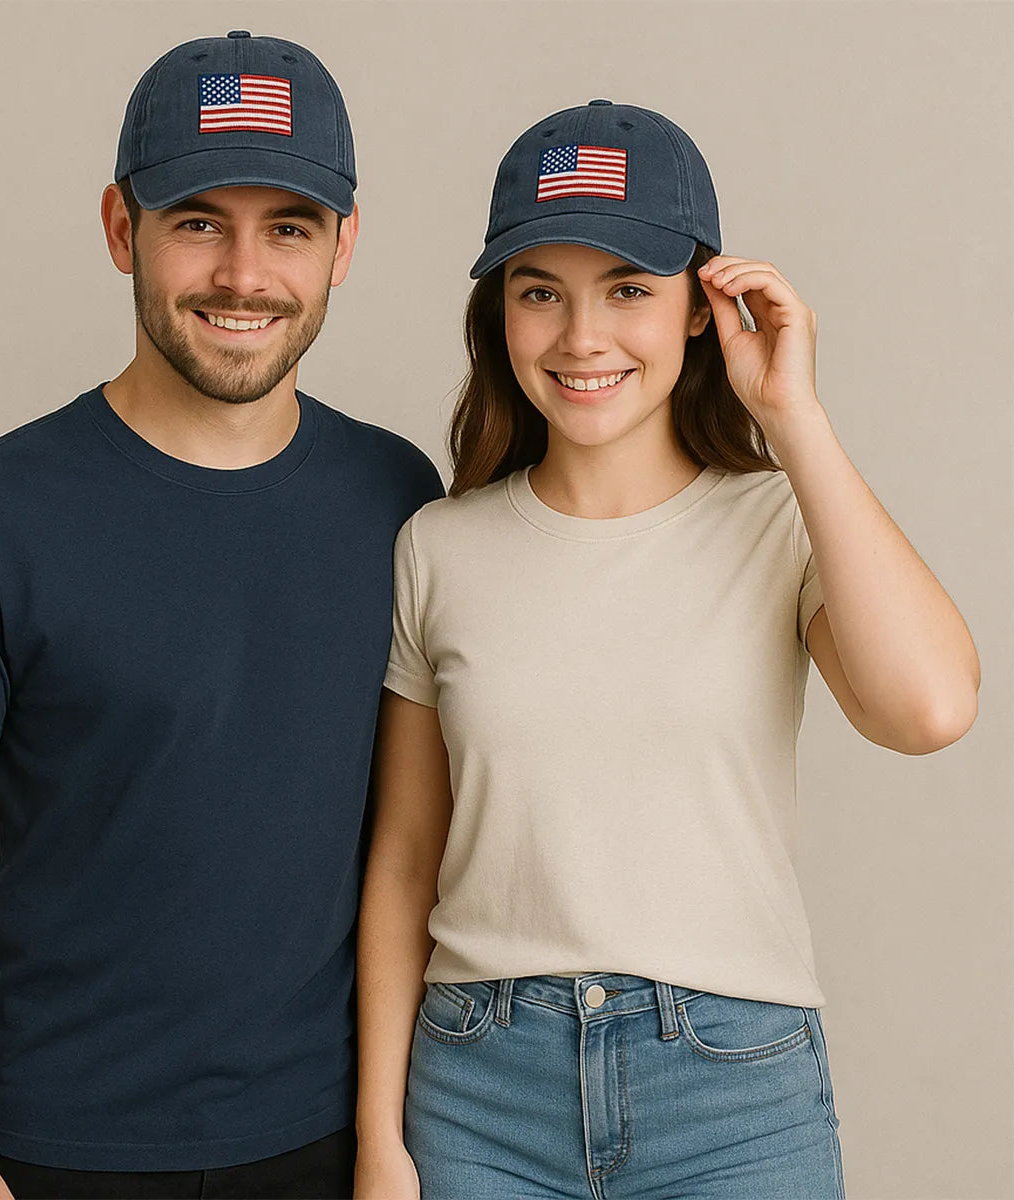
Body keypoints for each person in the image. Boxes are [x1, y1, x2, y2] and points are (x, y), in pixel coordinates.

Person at [0, 31, 443, 1200]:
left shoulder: (401, 501)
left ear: (343, 248)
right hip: (47, 1147)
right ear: (123, 228)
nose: (243, 274)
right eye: (198, 221)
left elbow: (414, 842)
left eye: (289, 228)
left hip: (326, 1141)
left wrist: (389, 1142)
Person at [353, 100, 980, 1199]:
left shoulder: (780, 523)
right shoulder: (438, 549)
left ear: (704, 307)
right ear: (497, 312)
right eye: (539, 291)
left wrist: (797, 420)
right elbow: (404, 862)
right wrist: (378, 1144)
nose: (581, 337)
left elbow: (927, 710)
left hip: (732, 1094)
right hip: (476, 1091)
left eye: (628, 291)